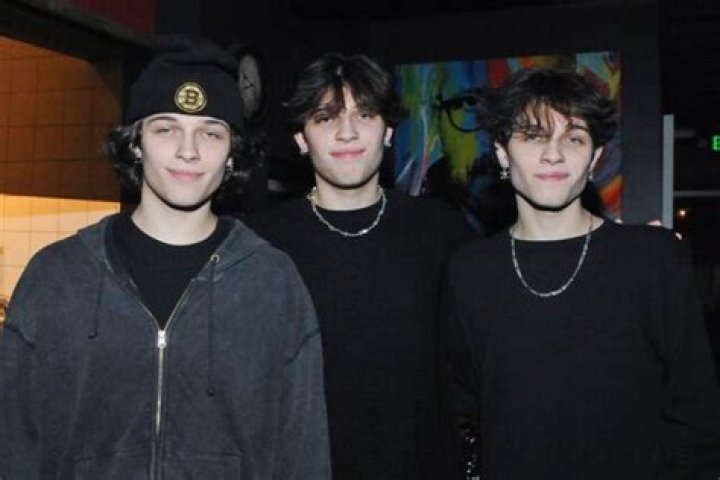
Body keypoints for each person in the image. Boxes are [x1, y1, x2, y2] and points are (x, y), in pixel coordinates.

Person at [0, 35, 330, 478]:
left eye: (210, 132)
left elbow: (303, 457)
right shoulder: (57, 276)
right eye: (165, 128)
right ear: (136, 143)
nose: (187, 150)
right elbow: (12, 445)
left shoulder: (272, 283)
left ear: (232, 153)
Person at [444, 68, 720, 479]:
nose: (553, 154)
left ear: (594, 157)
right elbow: (463, 400)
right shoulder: (470, 271)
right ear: (502, 152)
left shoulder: (652, 258)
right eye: (533, 136)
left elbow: (696, 414)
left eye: (573, 138)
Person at [246, 53, 473, 479]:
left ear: (388, 131)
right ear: (301, 138)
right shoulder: (260, 243)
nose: (347, 131)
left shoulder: (439, 231)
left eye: (364, 114)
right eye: (325, 117)